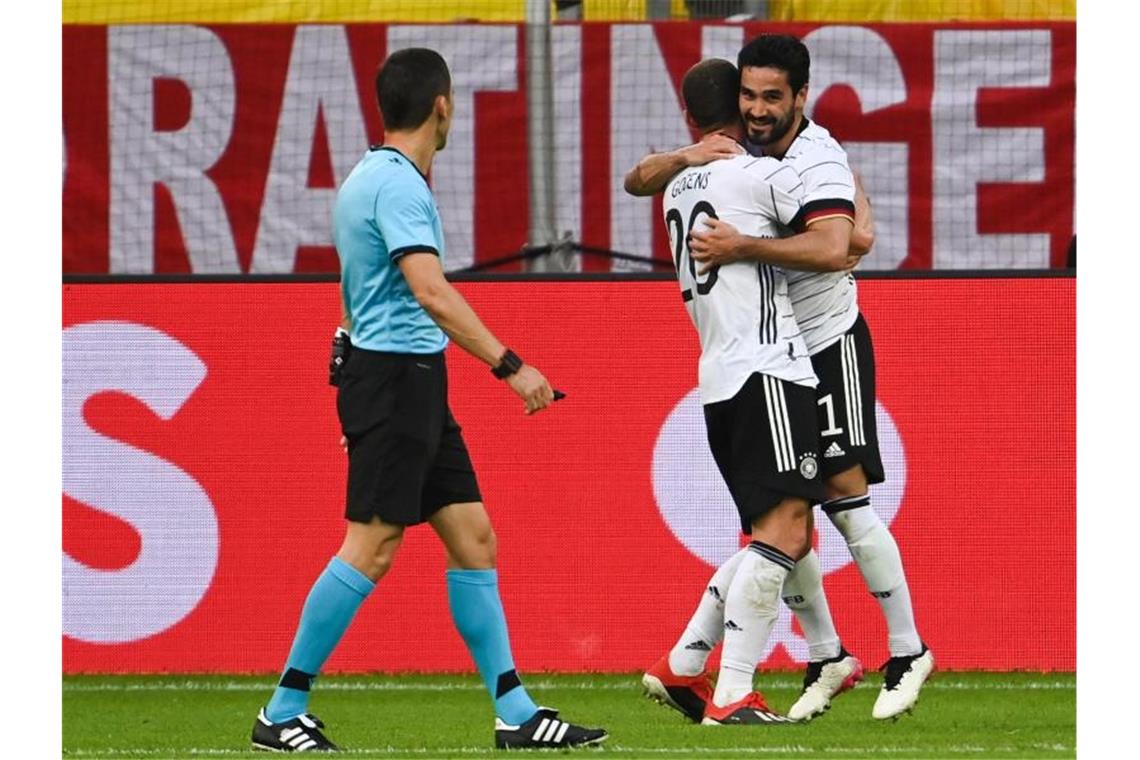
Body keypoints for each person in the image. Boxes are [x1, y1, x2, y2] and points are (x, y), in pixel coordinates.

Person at [250, 48, 607, 752]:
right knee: (373, 546)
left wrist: (350, 382)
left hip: (404, 382)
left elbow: (365, 296)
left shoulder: (370, 176)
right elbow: (431, 292)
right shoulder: (400, 188)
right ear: (443, 106)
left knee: (473, 539)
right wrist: (511, 366)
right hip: (396, 381)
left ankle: (516, 714)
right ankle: (281, 709)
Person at [627, 34, 933, 723]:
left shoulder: (809, 155)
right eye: (749, 96)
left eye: (772, 97)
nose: (760, 109)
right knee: (790, 518)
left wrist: (746, 240)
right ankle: (793, 657)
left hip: (825, 342)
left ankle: (903, 648)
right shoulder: (744, 164)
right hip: (774, 358)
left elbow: (844, 243)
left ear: (800, 96)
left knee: (835, 502)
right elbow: (849, 237)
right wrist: (693, 156)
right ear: (732, 104)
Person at [646, 57, 827, 726]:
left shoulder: (674, 189)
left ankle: (686, 665)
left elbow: (642, 177)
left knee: (780, 531)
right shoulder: (758, 175)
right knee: (782, 531)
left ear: (691, 116)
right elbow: (835, 237)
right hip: (768, 367)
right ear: (744, 106)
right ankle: (732, 692)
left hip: (721, 375)